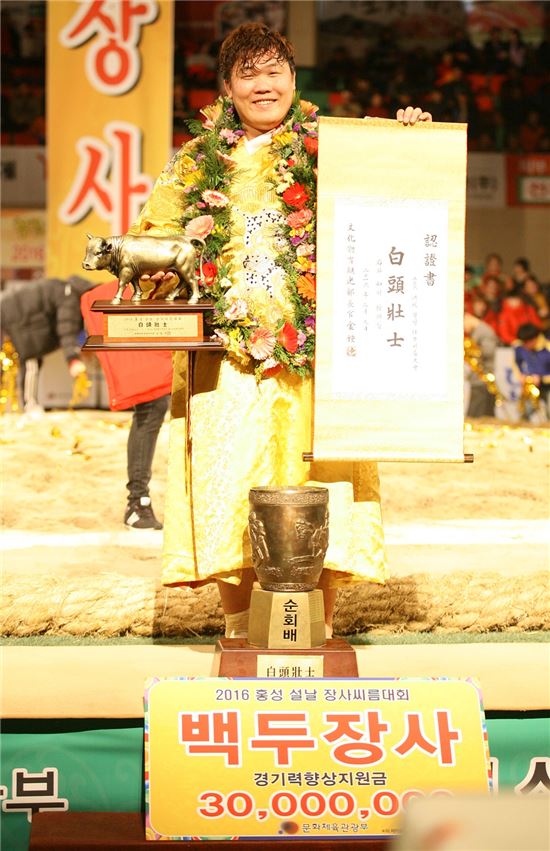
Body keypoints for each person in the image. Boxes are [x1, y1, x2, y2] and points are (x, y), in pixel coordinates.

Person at [127, 22, 432, 638]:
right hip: (222, 360)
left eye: (274, 72)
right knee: (228, 484)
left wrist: (409, 140)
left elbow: (399, 191)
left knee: (322, 482)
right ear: (227, 87)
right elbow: (151, 241)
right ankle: (239, 629)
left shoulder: (332, 146)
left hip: (319, 353)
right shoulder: (194, 163)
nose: (263, 85)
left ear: (294, 80)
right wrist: (160, 264)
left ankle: (317, 630)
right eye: (249, 75)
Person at [80, 281, 172, 530]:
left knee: (157, 406)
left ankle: (139, 501)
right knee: (152, 405)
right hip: (149, 309)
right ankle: (137, 502)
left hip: (167, 310)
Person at [0, 275, 94, 411]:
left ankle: (28, 404)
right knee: (31, 360)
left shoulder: (66, 290)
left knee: (31, 360)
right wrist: (72, 359)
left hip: (19, 316)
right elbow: (67, 328)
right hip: (16, 316)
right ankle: (30, 405)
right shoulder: (70, 297)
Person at [464, 310, 498, 417]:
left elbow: (489, 351)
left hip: (483, 377)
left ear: (467, 317)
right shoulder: (477, 331)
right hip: (478, 377)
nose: (464, 328)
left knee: (478, 412)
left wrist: (471, 351)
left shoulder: (484, 331)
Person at [513, 322, 550, 416]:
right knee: (524, 412)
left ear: (535, 339)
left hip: (547, 387)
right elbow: (516, 363)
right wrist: (521, 375)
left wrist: (542, 378)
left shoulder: (547, 348)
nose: (525, 346)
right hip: (530, 386)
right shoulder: (520, 347)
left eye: (527, 343)